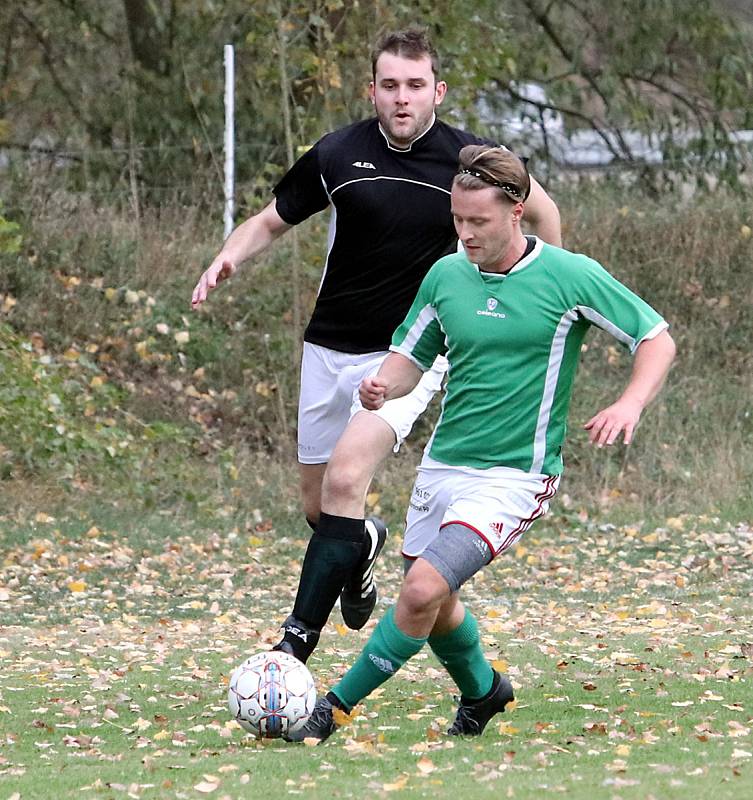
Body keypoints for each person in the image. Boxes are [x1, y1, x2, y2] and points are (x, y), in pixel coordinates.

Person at [191, 28, 562, 663]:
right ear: (372, 90)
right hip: (328, 344)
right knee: (320, 506)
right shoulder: (338, 153)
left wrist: (537, 292)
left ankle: (292, 648)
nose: (402, 98)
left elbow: (541, 216)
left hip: (408, 355)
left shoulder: (469, 163)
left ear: (437, 91)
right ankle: (360, 546)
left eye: (415, 86)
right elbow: (271, 219)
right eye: (390, 86)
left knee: (346, 476)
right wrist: (229, 256)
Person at [286, 144, 676, 742]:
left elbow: (655, 338)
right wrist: (381, 385)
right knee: (435, 606)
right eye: (457, 221)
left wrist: (630, 402)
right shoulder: (446, 276)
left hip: (515, 475)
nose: (464, 234)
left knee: (420, 590)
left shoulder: (569, 275)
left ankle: (331, 710)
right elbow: (411, 357)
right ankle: (485, 691)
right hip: (443, 466)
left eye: (478, 222)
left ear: (517, 211)